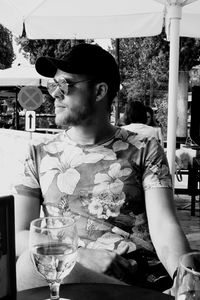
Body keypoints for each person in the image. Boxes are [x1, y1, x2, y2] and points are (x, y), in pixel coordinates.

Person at [14, 43, 191, 293]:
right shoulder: (39, 153)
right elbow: (19, 234)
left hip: (133, 276)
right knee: (30, 264)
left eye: (64, 85)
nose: (54, 94)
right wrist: (78, 254)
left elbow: (164, 225)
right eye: (52, 86)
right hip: (69, 275)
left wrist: (183, 277)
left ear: (99, 92)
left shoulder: (144, 148)